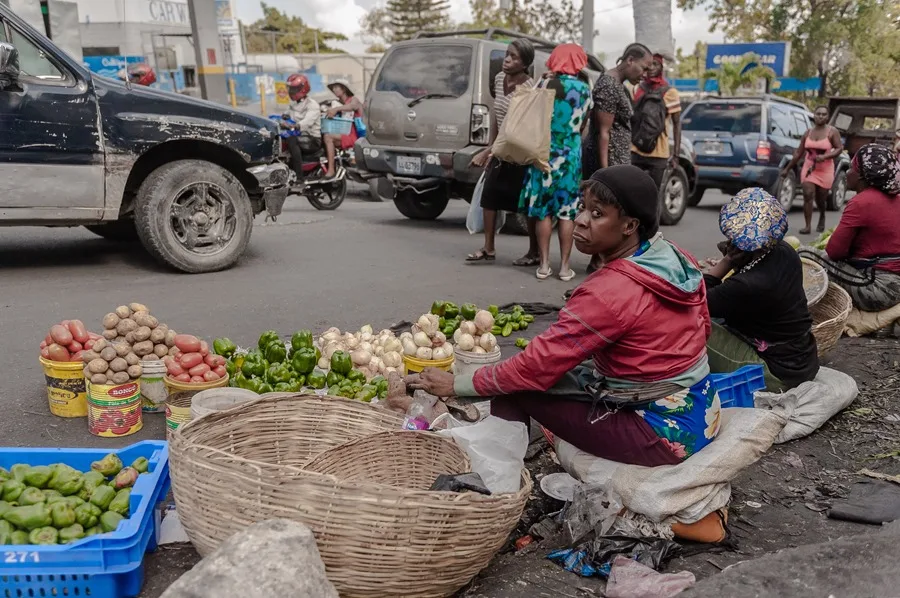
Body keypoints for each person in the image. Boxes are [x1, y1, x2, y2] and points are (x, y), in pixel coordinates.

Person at [409, 165, 720, 466]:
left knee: (514, 388)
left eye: (597, 214)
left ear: (630, 226)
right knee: (560, 371)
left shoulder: (609, 291)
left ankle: (495, 482)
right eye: (582, 208)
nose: (579, 221)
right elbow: (703, 328)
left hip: (663, 433)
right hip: (703, 408)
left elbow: (533, 369)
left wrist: (457, 384)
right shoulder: (674, 257)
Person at [705, 188, 819, 392]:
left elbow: (698, 301)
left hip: (775, 373)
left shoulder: (747, 285)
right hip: (802, 360)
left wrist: (727, 261)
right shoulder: (784, 251)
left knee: (686, 322)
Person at [520, 44, 593, 281]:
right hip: (571, 157)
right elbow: (583, 125)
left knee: (543, 211)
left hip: (544, 154)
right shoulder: (584, 89)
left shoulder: (545, 85)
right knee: (567, 212)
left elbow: (531, 113)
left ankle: (543, 265)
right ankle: (564, 267)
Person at [799, 143, 900, 312]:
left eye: (852, 167)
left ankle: (801, 310)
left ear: (862, 176)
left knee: (803, 254)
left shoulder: (861, 202)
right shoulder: (897, 199)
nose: (847, 172)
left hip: (877, 289)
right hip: (894, 285)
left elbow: (834, 252)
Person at [465, 39, 538, 265]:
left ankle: (534, 251)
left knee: (525, 204)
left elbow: (515, 125)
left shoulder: (529, 87)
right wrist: (490, 146)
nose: (507, 59)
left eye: (514, 57)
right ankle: (489, 248)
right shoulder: (499, 79)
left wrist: (487, 152)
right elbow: (498, 117)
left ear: (525, 63)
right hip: (499, 148)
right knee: (489, 197)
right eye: (507, 54)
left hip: (517, 151)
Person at [583, 43, 653, 274]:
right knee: (606, 211)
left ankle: (602, 260)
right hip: (609, 164)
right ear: (630, 60)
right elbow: (604, 132)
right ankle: (599, 262)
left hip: (617, 161)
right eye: (643, 68)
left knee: (612, 214)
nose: (644, 74)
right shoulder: (609, 84)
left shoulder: (619, 85)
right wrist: (606, 176)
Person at [780, 105, 843, 234]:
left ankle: (822, 214)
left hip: (825, 169)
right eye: (818, 113)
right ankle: (807, 226)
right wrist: (787, 169)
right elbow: (798, 153)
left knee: (821, 199)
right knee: (808, 195)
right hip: (809, 167)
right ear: (814, 115)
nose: (820, 116)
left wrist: (826, 156)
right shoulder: (807, 133)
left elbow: (839, 149)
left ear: (828, 117)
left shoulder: (832, 132)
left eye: (823, 114)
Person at [630, 52, 682, 193]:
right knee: (632, 195)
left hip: (659, 154)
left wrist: (676, 155)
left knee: (653, 196)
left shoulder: (670, 92)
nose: (652, 67)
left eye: (656, 64)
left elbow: (677, 124)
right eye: (649, 64)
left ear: (661, 67)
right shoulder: (638, 88)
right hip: (635, 150)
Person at [323, 79, 363, 180]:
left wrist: (336, 109)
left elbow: (352, 106)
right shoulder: (338, 103)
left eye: (337, 87)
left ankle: (331, 170)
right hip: (344, 133)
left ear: (344, 89)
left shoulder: (353, 100)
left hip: (354, 136)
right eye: (333, 88)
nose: (334, 89)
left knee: (328, 137)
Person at [285, 73, 321, 179]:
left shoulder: (312, 104)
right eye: (290, 88)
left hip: (312, 139)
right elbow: (286, 115)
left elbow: (307, 121)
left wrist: (296, 126)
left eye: (294, 89)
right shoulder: (293, 104)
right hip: (300, 136)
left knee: (291, 140)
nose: (291, 91)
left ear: (303, 89)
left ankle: (298, 176)